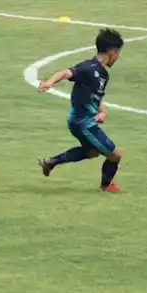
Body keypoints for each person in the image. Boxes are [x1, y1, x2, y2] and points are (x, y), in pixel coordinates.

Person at [37, 28, 126, 192]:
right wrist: (49, 83)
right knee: (115, 155)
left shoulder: (103, 73)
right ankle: (106, 186)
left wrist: (102, 111)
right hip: (84, 123)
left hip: (82, 120)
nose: (118, 57)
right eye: (119, 53)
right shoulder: (88, 68)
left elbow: (97, 96)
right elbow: (65, 72)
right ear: (113, 51)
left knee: (91, 152)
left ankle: (51, 162)